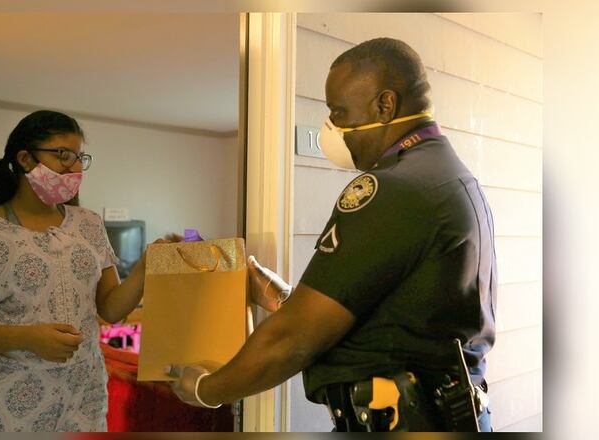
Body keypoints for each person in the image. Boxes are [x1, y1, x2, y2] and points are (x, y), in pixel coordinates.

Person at [166, 38, 496, 432]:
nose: (334, 128)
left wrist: (206, 388)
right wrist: (287, 298)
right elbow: (398, 314)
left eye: (339, 112)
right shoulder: (447, 177)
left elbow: (293, 340)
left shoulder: (393, 189)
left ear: (384, 105)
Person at [0, 110, 164, 432]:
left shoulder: (89, 225)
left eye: (80, 157)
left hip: (83, 403)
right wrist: (27, 338)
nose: (75, 167)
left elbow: (109, 307)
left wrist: (144, 269)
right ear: (25, 159)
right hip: (5, 410)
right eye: (63, 155)